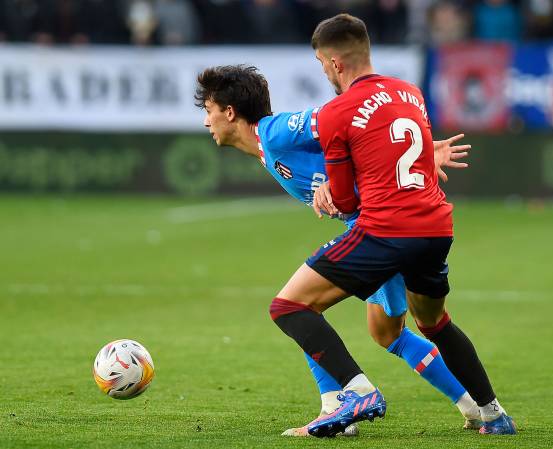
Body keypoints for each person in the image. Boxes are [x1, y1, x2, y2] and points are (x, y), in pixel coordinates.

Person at [195, 64, 483, 437]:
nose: (207, 121)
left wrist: (349, 176)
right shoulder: (267, 148)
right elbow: (356, 144)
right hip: (382, 227)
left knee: (299, 305)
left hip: (381, 229)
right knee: (386, 332)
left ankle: (346, 401)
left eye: (209, 110)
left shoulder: (276, 132)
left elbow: (338, 118)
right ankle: (474, 406)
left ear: (230, 112)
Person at [305, 13, 516, 436]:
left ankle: (355, 393)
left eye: (322, 64)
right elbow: (406, 160)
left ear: (334, 63)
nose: (325, 72)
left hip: (387, 231)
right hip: (435, 227)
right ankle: (494, 415)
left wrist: (325, 190)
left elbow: (346, 202)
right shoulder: (409, 93)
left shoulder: (335, 111)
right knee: (434, 324)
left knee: (291, 305)